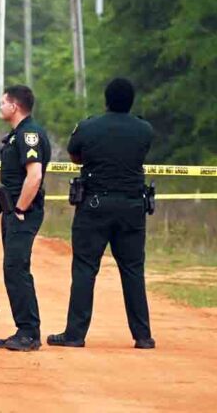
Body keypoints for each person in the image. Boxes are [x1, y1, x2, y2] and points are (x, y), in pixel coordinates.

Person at [47, 77, 156, 349]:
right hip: (132, 207)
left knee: (85, 268)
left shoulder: (89, 126)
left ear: (106, 100)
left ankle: (75, 334)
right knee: (132, 269)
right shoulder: (144, 129)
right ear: (131, 102)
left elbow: (75, 155)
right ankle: (142, 336)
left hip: (95, 205)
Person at [0, 85, 51, 352]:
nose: (1, 106)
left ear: (14, 106)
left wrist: (19, 210)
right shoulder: (18, 134)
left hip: (22, 212)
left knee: (17, 268)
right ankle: (23, 329)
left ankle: (29, 332)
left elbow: (35, 175)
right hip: (13, 211)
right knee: (12, 269)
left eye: (4, 102)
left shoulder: (29, 135)